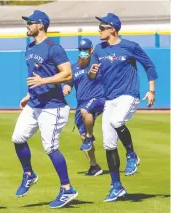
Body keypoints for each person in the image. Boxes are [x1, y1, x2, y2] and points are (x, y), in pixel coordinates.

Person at [11, 10, 78, 209]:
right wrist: (29, 94)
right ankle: (29, 174)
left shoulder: (53, 48)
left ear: (41, 25)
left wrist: (44, 81)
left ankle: (67, 189)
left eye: (30, 22)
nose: (27, 25)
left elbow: (67, 74)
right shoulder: (30, 47)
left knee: (50, 147)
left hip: (53, 106)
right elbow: (34, 76)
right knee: (18, 138)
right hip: (35, 103)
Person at [88, 13, 157, 202]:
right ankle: (116, 186)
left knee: (117, 121)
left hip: (128, 95)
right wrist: (92, 73)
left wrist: (151, 91)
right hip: (109, 99)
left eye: (102, 27)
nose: (98, 31)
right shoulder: (99, 50)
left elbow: (149, 66)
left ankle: (132, 155)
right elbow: (92, 76)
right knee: (108, 145)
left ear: (112, 29)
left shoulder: (130, 46)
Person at [63, 38, 104, 176]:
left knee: (85, 111)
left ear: (91, 50)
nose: (83, 52)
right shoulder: (74, 68)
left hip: (98, 98)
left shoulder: (97, 64)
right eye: (80, 50)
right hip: (82, 102)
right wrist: (66, 88)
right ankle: (94, 166)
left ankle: (90, 136)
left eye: (85, 49)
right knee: (82, 134)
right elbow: (69, 83)